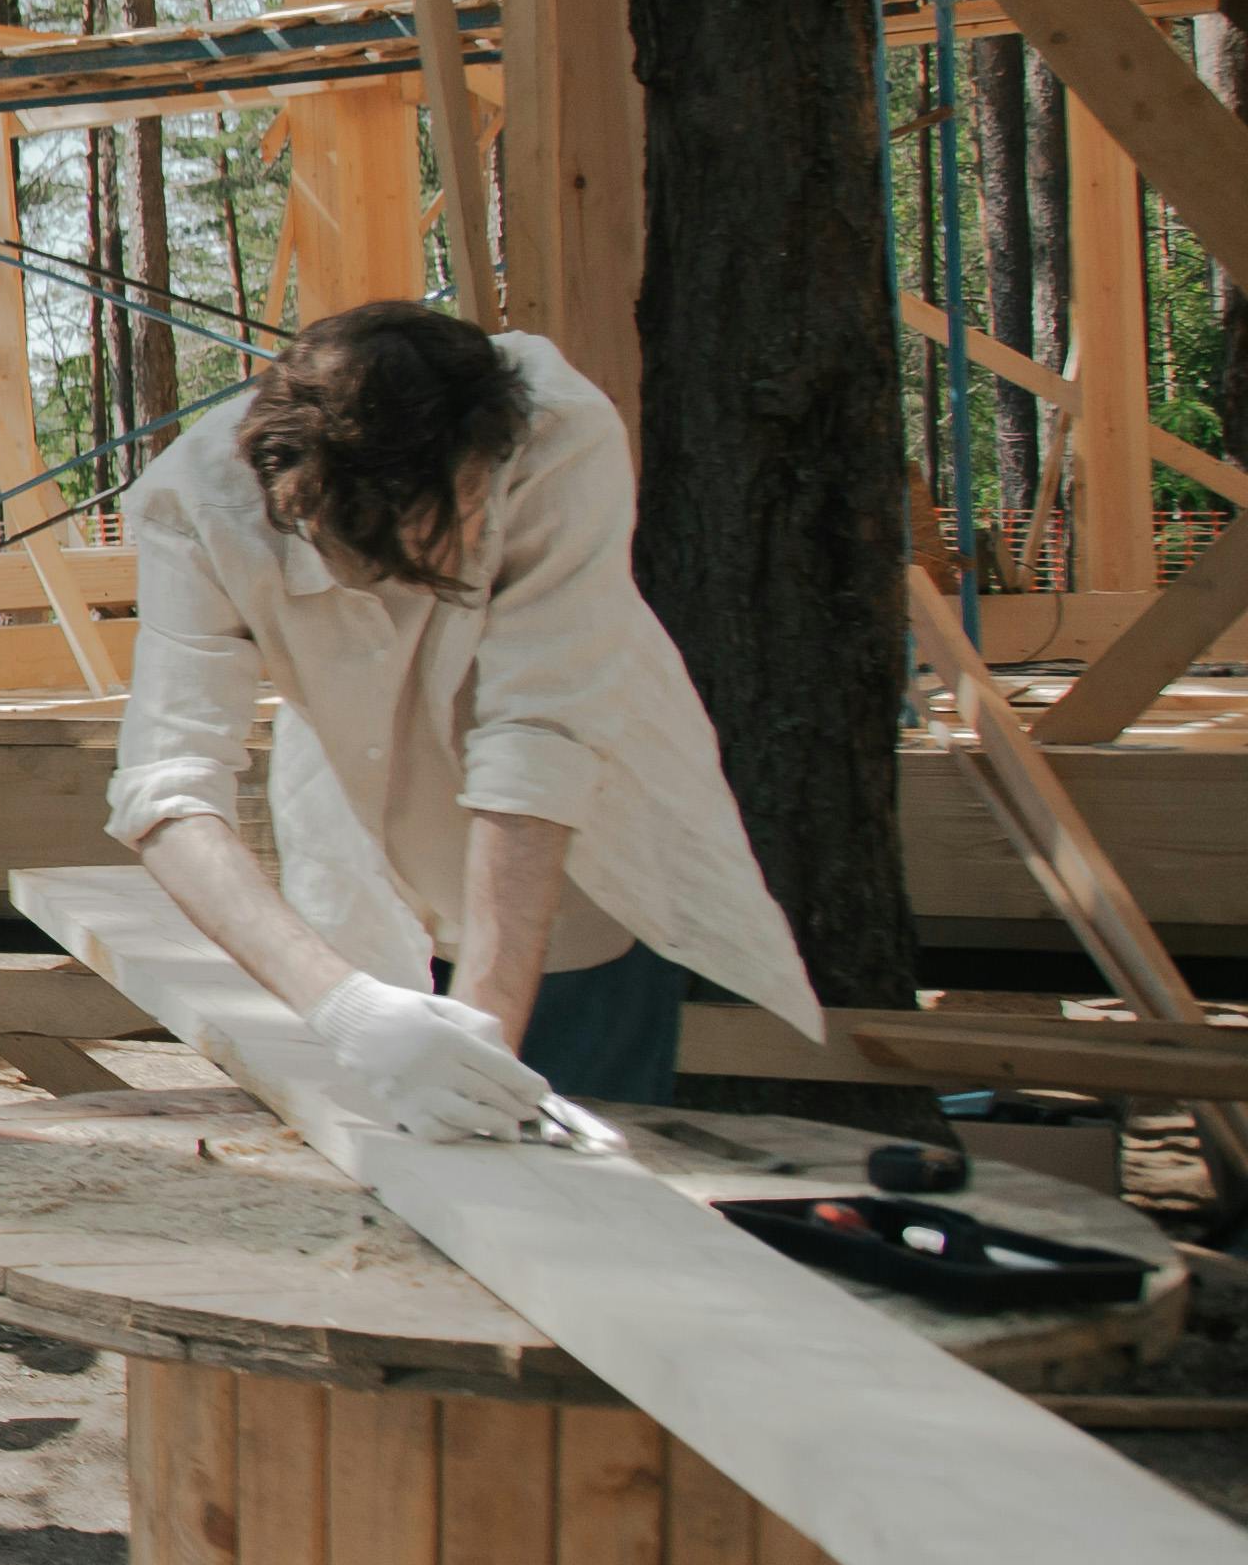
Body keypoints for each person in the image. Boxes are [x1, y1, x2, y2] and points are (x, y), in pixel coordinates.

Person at [110, 299, 819, 1139]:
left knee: (576, 1171)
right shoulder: (195, 508)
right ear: (306, 511)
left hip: (571, 849)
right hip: (367, 820)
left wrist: (490, 1054)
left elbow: (537, 740)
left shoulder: (561, 434)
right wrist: (347, 1009)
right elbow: (166, 791)